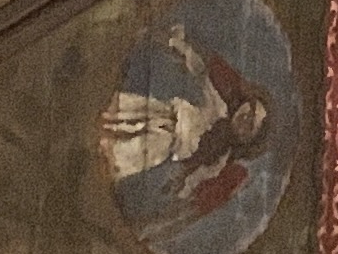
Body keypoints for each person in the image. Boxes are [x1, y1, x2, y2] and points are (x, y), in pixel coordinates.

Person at [101, 23, 275, 242]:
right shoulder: (219, 102)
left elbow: (191, 203)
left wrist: (157, 221)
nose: (245, 119)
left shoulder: (220, 159)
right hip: (158, 112)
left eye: (250, 126)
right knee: (108, 113)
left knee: (111, 153)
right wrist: (166, 39)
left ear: (248, 140)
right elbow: (197, 63)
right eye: (250, 111)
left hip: (159, 144)